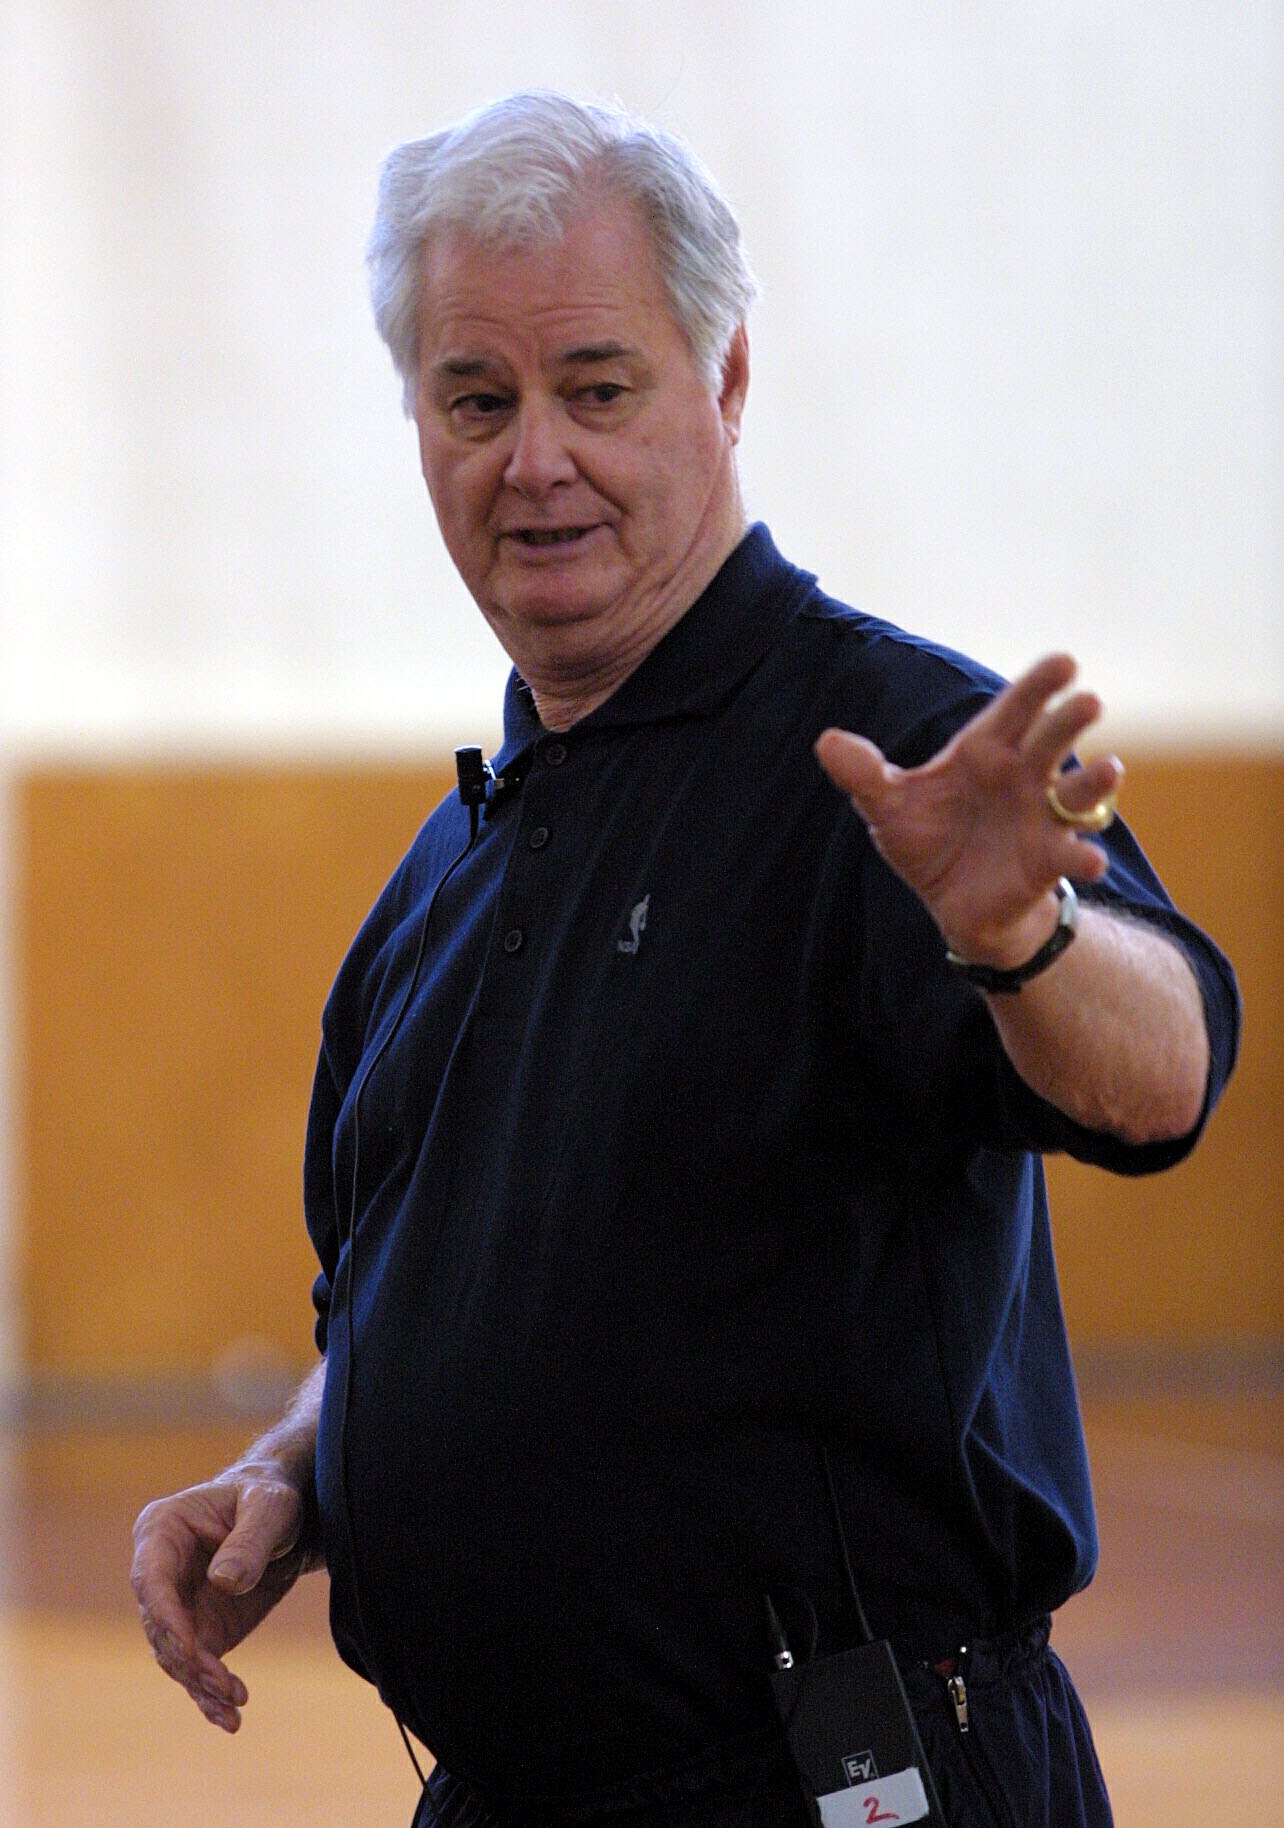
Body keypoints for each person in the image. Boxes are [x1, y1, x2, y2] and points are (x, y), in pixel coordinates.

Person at [131, 91, 1239, 1828]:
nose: (535, 459)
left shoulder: (892, 760)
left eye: (598, 386)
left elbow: (1168, 1070)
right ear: (415, 420)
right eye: (475, 401)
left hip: (846, 1789)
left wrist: (1017, 932)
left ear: (722, 385)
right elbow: (411, 1297)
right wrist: (297, 1468)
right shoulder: (454, 864)